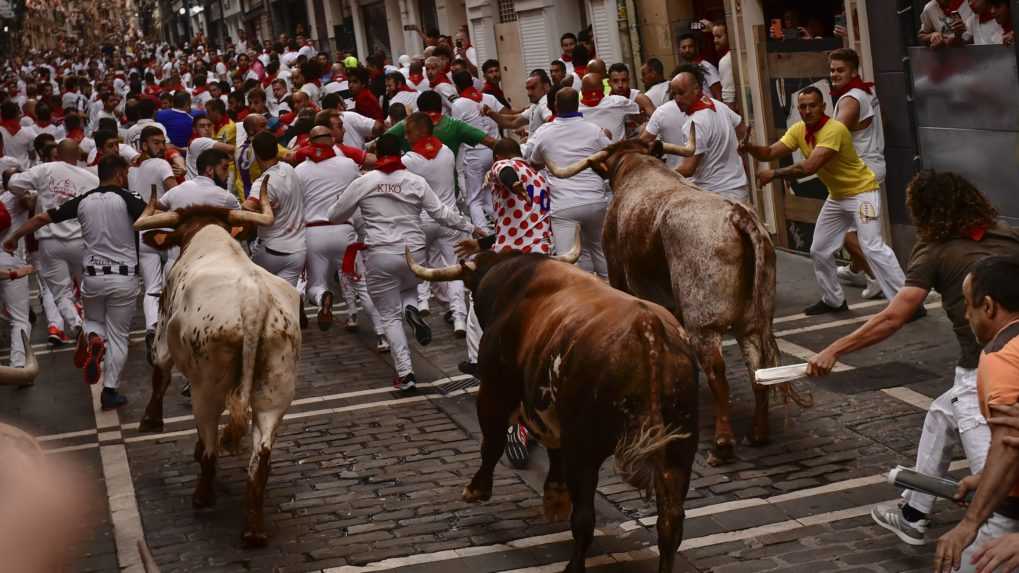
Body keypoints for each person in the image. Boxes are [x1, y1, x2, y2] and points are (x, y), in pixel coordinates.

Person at [807, 171, 1019, 545]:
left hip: (982, 370)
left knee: (998, 492)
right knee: (941, 414)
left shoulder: (933, 248)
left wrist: (833, 349)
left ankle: (986, 543)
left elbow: (894, 315)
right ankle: (913, 513)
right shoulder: (1005, 233)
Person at [327, 134, 482, 392]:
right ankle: (411, 308)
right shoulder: (415, 181)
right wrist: (470, 227)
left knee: (388, 315)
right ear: (401, 152)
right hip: (414, 252)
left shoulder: (364, 182)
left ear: (377, 153)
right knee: (409, 287)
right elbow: (441, 213)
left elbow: (334, 215)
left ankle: (406, 373)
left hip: (381, 254)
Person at [741, 86, 906, 315]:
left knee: (872, 246)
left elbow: (809, 166)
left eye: (812, 106)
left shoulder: (834, 129)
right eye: (802, 107)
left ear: (823, 107)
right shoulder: (799, 129)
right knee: (819, 249)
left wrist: (774, 175)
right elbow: (769, 153)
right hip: (838, 197)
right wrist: (749, 147)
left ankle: (907, 302)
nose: (807, 111)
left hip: (862, 193)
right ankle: (833, 300)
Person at [3, 155, 146, 409]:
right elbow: (151, 218)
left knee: (93, 320)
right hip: (123, 277)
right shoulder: (129, 198)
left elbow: (40, 219)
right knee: (119, 335)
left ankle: (93, 337)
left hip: (92, 278)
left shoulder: (83, 200)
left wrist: (15, 237)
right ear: (121, 174)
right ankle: (110, 391)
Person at [455, 137, 553, 468]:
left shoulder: (502, 166)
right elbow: (517, 223)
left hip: (511, 264)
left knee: (475, 313)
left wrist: (510, 182)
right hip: (543, 257)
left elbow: (506, 172)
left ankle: (481, 367)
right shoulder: (540, 177)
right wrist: (480, 241)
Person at [934, 255, 1019, 573]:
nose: (966, 314)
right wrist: (985, 479)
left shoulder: (1000, 357)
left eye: (968, 304)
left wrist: (969, 524)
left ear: (989, 306)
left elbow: (1009, 445)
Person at [294, 125, 385, 345]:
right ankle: (383, 336)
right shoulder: (347, 165)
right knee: (362, 286)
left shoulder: (299, 171)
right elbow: (359, 192)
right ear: (331, 140)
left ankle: (323, 297)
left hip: (314, 233)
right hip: (344, 230)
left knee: (315, 284)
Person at [5, 139, 96, 339]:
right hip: (81, 241)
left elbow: (13, 184)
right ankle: (93, 330)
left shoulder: (45, 169)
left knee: (60, 293)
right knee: (88, 288)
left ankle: (76, 324)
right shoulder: (91, 178)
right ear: (78, 155)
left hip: (50, 242)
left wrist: (25, 189)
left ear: (58, 154)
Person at [527, 87, 611, 278]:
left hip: (564, 207)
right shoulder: (595, 131)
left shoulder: (544, 133)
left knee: (568, 263)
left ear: (555, 106)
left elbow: (534, 163)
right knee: (601, 254)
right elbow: (610, 156)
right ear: (578, 104)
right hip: (595, 202)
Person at [402, 112, 467, 336]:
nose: (406, 136)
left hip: (422, 220)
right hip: (449, 218)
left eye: (409, 131)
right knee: (454, 268)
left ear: (421, 131)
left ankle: (423, 303)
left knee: (420, 267)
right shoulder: (447, 152)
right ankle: (459, 317)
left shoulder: (409, 160)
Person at [830, 48, 887, 300]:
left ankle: (877, 278)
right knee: (863, 230)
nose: (834, 74)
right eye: (831, 70)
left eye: (840, 70)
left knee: (844, 232)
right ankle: (856, 269)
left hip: (859, 174)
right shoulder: (866, 91)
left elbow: (834, 136)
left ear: (853, 71)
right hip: (869, 167)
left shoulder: (851, 99)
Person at [127, 126, 178, 361]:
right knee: (175, 283)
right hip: (167, 231)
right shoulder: (162, 165)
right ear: (144, 145)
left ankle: (151, 328)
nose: (161, 147)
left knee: (151, 287)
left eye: (162, 142)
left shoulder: (131, 170)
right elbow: (176, 194)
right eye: (156, 142)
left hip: (144, 233)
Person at [670, 65, 749, 203]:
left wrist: (662, 174)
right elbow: (743, 130)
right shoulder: (718, 105)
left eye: (681, 93)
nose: (677, 99)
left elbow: (688, 169)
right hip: (738, 189)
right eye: (674, 94)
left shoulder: (694, 123)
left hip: (715, 196)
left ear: (696, 90)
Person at [245, 131, 306, 291]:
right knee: (286, 300)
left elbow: (248, 208)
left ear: (256, 154)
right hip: (298, 251)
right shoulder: (289, 169)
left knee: (255, 294)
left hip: (271, 252)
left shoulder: (262, 184)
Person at [451, 70, 503, 231]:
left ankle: (484, 233)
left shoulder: (458, 104)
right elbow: (504, 117)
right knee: (490, 195)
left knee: (474, 199)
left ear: (457, 86)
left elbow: (457, 131)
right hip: (495, 152)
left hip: (475, 156)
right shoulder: (490, 98)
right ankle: (499, 227)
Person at [640, 75, 690, 169]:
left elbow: (641, 142)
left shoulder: (661, 112)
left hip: (677, 174)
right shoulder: (714, 107)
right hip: (708, 176)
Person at [186, 115, 235, 180]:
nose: (207, 128)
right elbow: (233, 149)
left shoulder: (199, 142)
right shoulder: (199, 141)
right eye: (202, 126)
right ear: (194, 130)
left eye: (209, 125)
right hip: (199, 185)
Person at [677, 32, 722, 100]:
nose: (687, 50)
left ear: (696, 48)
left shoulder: (707, 67)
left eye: (690, 46)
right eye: (684, 47)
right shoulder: (681, 70)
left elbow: (718, 94)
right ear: (679, 50)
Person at [0, 101, 38, 168]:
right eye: (20, 113)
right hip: (24, 170)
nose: (21, 115)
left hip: (3, 168)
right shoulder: (29, 131)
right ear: (17, 115)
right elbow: (33, 155)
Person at [712, 22, 738, 112]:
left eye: (719, 37)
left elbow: (729, 100)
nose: (715, 40)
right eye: (714, 37)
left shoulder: (726, 61)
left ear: (729, 36)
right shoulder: (732, 56)